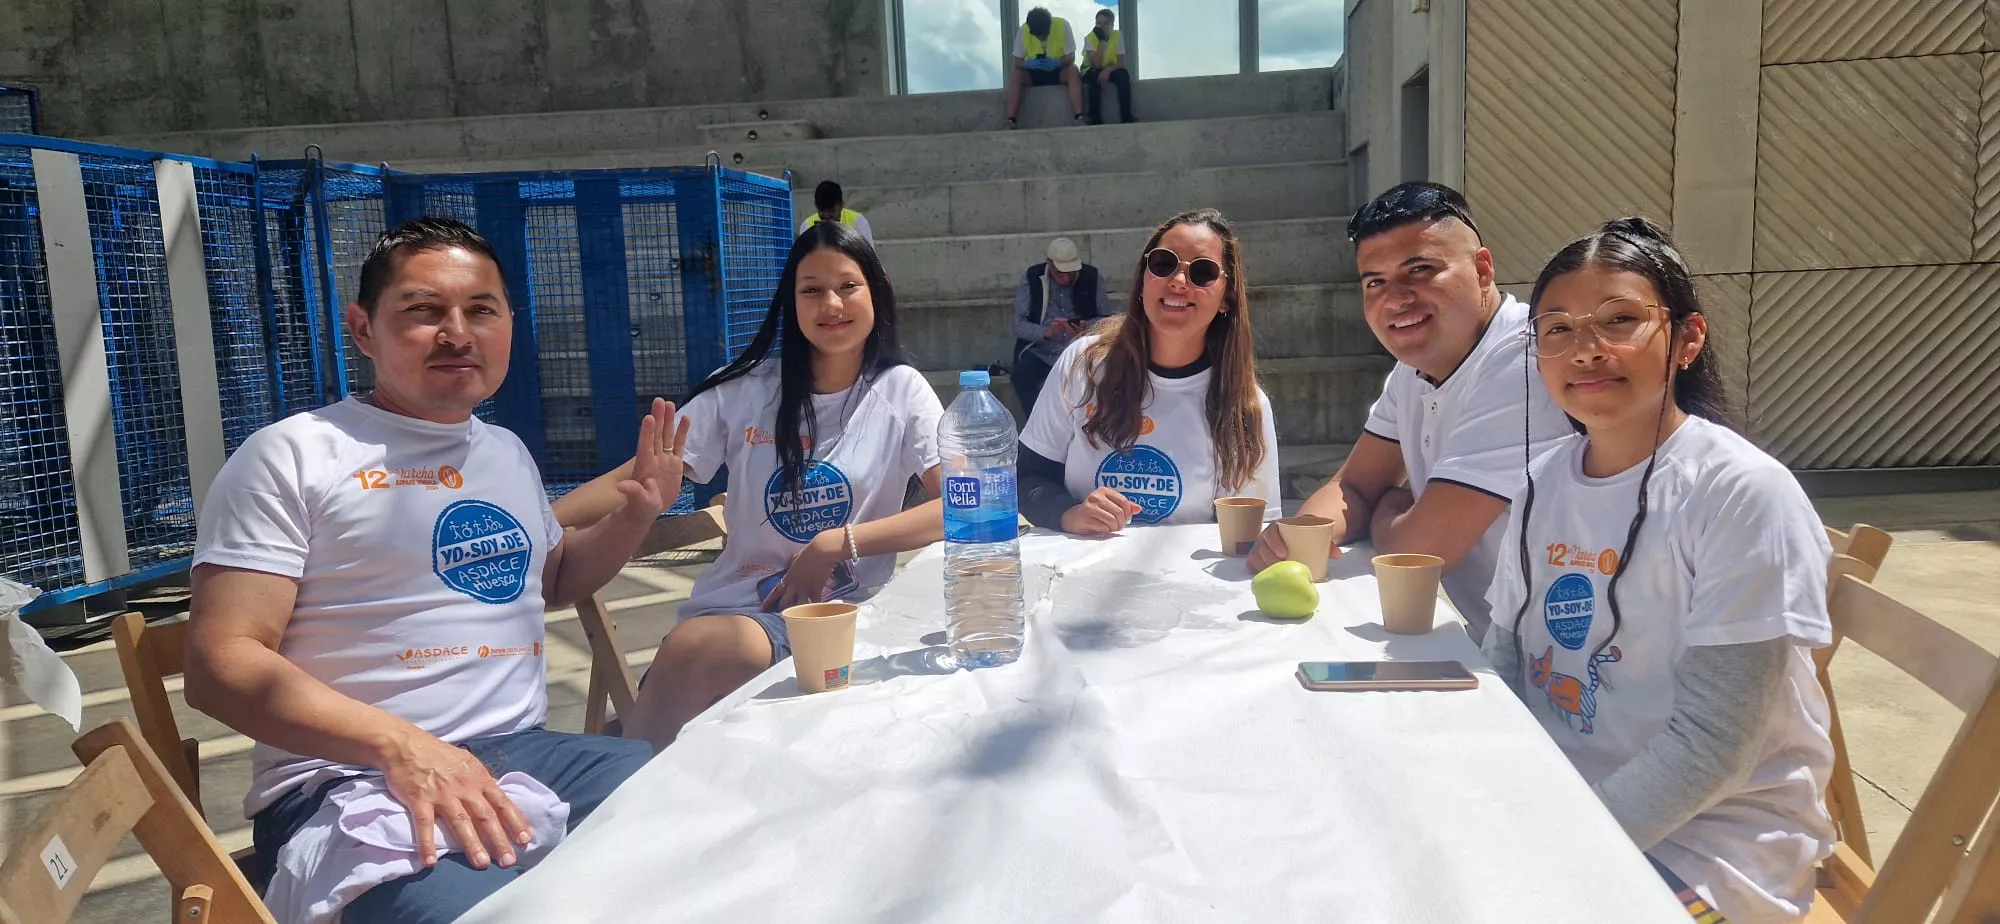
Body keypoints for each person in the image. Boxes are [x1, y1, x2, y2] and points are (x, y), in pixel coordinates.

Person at [184, 218, 666, 923]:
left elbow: (554, 580)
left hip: (524, 753)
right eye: (422, 311)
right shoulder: (291, 456)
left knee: (704, 818)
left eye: (480, 310)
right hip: (351, 781)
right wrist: (403, 745)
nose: (457, 333)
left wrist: (634, 517)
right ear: (362, 330)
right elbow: (219, 663)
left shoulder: (504, 451)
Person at [1482, 217, 1836, 922]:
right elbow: (1507, 657)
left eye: (1620, 321)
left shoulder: (1739, 492)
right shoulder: (1541, 482)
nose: (1587, 350)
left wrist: (1557, 846)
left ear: (1687, 339)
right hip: (1568, 801)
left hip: (1715, 848)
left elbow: (1713, 747)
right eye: (1557, 329)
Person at [555, 221, 945, 750]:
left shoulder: (901, 392)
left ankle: (620, 781)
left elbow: (965, 505)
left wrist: (838, 542)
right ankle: (620, 794)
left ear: (877, 290)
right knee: (686, 665)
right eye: (811, 290)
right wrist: (539, 521)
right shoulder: (747, 391)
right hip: (724, 625)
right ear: (792, 301)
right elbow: (639, 475)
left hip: (830, 628)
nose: (831, 304)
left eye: (848, 286)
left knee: (677, 679)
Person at [1247, 182, 1570, 640]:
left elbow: (1417, 552)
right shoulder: (1413, 370)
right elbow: (1355, 485)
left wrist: (1392, 507)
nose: (1396, 299)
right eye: (1375, 282)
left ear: (1482, 270)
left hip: (1572, 674)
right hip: (1500, 646)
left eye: (1420, 270)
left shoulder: (1524, 363)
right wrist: (1302, 534)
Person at [1018, 208, 1281, 535]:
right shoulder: (1082, 363)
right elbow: (1028, 477)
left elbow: (1247, 537)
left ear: (1226, 297)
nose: (1179, 281)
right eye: (1163, 264)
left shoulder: (1245, 406)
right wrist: (1069, 512)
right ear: (1143, 281)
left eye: (1202, 272)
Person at [1012, 236, 1108, 416]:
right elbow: (1019, 324)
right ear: (1049, 264)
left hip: (1080, 350)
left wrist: (1085, 330)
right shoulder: (1032, 277)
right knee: (1021, 375)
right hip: (1042, 351)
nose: (1066, 277)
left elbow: (1105, 320)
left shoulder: (1091, 277)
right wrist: (1045, 332)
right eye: (1061, 273)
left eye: (1070, 272)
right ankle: (1037, 421)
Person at [1005, 6, 1086, 129]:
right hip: (1034, 73)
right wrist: (1028, 64)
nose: (1041, 38)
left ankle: (1079, 116)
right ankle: (1011, 120)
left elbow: (1071, 56)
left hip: (1057, 71)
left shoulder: (1062, 26)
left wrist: (1058, 63)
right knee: (1016, 74)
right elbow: (1016, 61)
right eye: (1038, 36)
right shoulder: (1023, 31)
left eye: (1044, 35)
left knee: (1073, 70)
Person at [1081, 7, 1134, 125]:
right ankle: (1094, 117)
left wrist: (1108, 70)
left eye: (1105, 23)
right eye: (1099, 23)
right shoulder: (1089, 38)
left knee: (1123, 75)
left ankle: (1126, 116)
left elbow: (1121, 62)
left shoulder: (1117, 36)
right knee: (1095, 77)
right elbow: (1097, 63)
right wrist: (1101, 42)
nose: (1101, 27)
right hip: (1091, 69)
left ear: (1112, 25)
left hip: (1109, 68)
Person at [797, 180, 875, 248]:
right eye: (822, 210)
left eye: (831, 211)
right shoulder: (807, 226)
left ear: (842, 205)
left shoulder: (858, 222)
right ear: (816, 206)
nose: (826, 215)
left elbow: (869, 258)